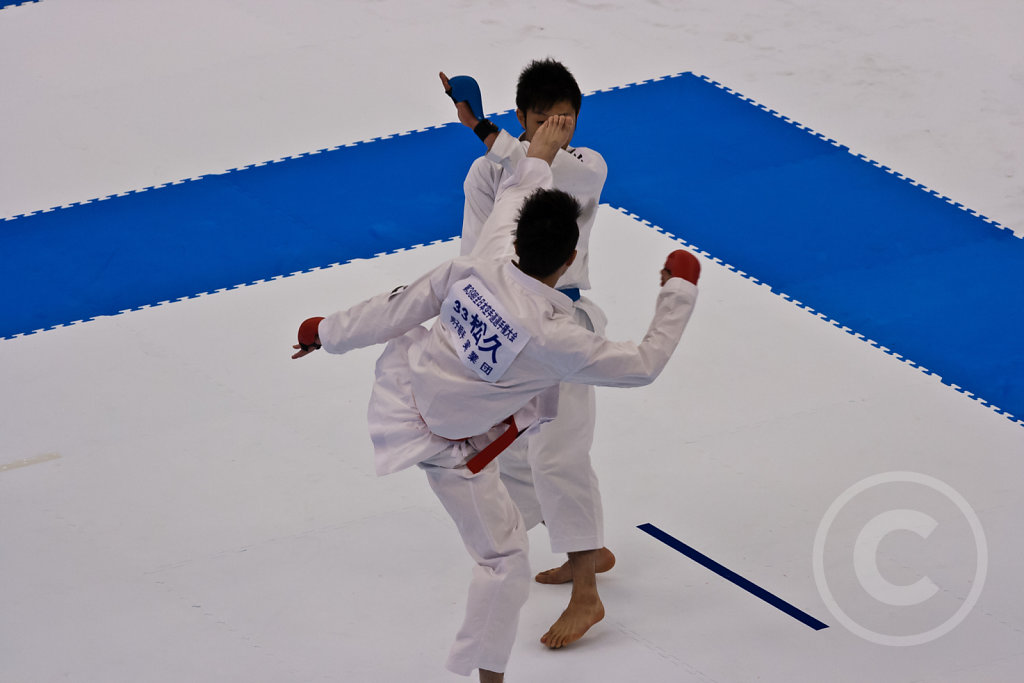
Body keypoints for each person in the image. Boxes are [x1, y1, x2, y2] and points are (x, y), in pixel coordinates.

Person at [291, 116, 701, 681]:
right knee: (505, 562)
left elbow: (396, 306)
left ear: (519, 238)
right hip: (455, 453)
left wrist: (322, 331)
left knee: (531, 484)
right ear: (568, 261)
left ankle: (583, 551)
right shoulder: (558, 340)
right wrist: (679, 288)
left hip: (407, 393)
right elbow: (645, 364)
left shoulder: (477, 262)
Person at [441, 59, 615, 649]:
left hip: (562, 325)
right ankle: (583, 543)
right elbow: (480, 246)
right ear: (523, 118)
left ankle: (586, 592)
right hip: (505, 327)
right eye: (542, 123)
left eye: (564, 123)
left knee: (559, 456)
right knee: (513, 457)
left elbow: (547, 171)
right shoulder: (487, 173)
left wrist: (485, 128)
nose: (553, 135)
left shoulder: (587, 166)